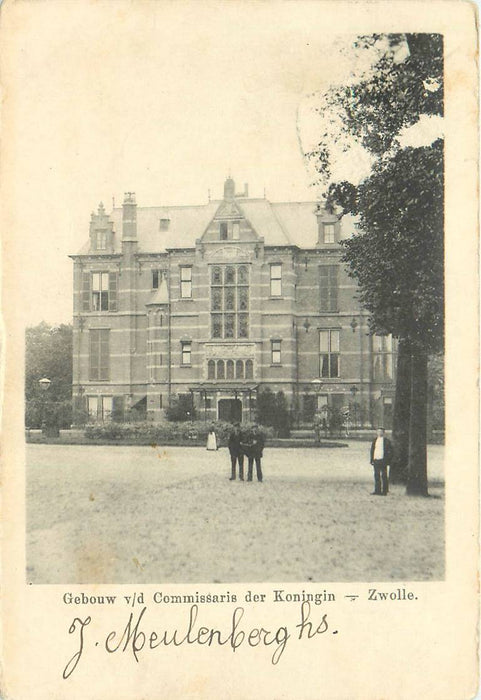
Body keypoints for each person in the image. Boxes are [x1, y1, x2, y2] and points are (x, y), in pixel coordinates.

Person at [369, 427, 393, 495]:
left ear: (383, 433)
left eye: (381, 432)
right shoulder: (375, 440)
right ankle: (377, 490)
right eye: (378, 431)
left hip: (383, 460)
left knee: (384, 475)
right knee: (376, 475)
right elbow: (372, 450)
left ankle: (384, 491)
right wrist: (372, 459)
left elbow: (390, 451)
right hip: (376, 459)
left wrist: (388, 460)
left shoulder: (386, 441)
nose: (379, 433)